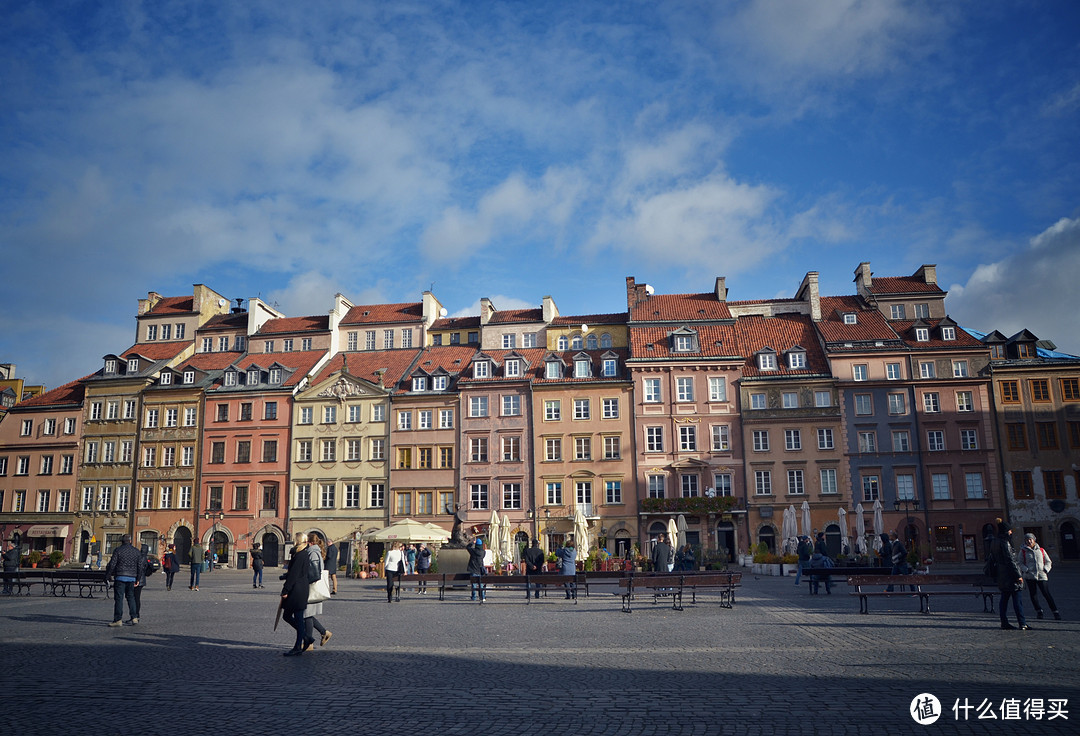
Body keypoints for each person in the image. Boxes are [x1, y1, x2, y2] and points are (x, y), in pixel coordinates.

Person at [989, 519, 1028, 630]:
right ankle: (1022, 622)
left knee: (1004, 600)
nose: (1011, 532)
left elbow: (992, 558)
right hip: (1010, 575)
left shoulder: (994, 541)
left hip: (1001, 574)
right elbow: (1010, 560)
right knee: (1017, 600)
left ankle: (1004, 622)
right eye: (1009, 530)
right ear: (1005, 531)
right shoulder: (1005, 543)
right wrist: (1018, 576)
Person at [280, 533, 313, 656]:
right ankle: (306, 637)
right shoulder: (300, 554)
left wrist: (285, 590)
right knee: (288, 616)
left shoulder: (301, 555)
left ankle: (299, 645)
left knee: (297, 618)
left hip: (297, 590)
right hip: (299, 588)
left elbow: (294, 574)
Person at [105, 535, 145, 627]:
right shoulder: (136, 551)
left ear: (122, 541)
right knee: (131, 597)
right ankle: (134, 617)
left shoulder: (118, 550)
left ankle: (118, 619)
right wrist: (138, 578)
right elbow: (140, 566)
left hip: (120, 577)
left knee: (119, 598)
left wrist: (108, 575)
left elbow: (112, 564)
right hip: (131, 578)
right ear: (130, 541)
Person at [1019, 532, 1060, 621]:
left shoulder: (1041, 550)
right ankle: (1039, 611)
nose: (1029, 541)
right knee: (1033, 595)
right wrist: (1026, 570)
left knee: (1046, 594)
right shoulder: (1023, 551)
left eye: (1030, 539)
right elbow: (1020, 563)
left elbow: (1048, 561)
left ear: (1034, 540)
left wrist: (1046, 569)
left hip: (1041, 575)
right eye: (1027, 540)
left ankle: (1055, 611)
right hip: (1030, 576)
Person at [305, 534, 331, 648]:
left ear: (310, 542)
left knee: (307, 615)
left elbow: (314, 574)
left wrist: (305, 581)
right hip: (312, 587)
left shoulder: (313, 553)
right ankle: (324, 632)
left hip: (312, 588)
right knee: (307, 615)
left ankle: (309, 643)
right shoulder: (314, 552)